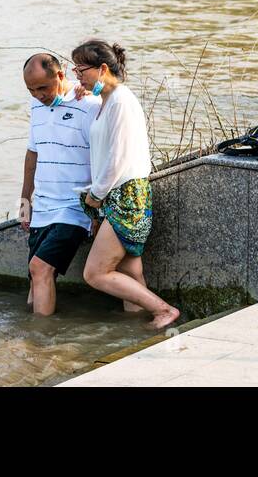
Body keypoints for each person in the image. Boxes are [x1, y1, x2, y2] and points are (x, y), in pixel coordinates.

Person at [70, 39, 179, 331]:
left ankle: (164, 309)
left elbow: (118, 157)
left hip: (127, 196)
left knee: (95, 273)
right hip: (118, 195)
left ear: (102, 68)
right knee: (129, 273)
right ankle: (137, 330)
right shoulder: (104, 101)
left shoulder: (121, 100)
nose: (76, 75)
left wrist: (95, 195)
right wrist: (80, 94)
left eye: (80, 70)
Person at [21, 52, 98, 317]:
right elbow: (33, 153)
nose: (38, 95)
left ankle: (40, 343)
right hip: (43, 204)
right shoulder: (35, 106)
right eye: (31, 90)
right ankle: (38, 334)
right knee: (35, 277)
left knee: (40, 268)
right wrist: (25, 200)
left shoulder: (88, 104)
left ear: (61, 75)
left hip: (75, 206)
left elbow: (103, 155)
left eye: (42, 87)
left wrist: (98, 208)